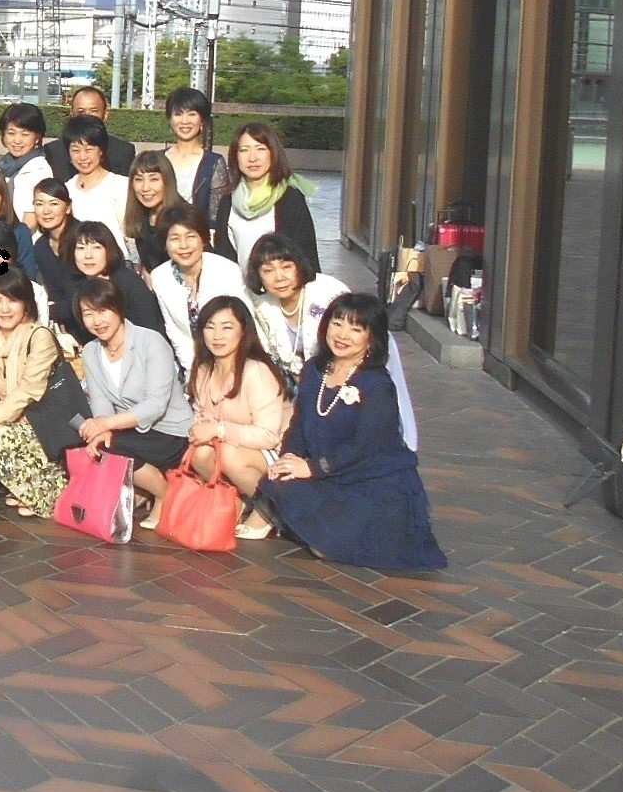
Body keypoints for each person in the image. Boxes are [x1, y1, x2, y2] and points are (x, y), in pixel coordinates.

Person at [256, 294, 446, 569]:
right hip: (328, 474)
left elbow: (365, 447)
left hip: (372, 481)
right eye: (337, 324)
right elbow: (299, 422)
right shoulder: (314, 369)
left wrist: (312, 468)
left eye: (356, 329)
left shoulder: (377, 385)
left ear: (371, 338)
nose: (342, 335)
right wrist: (290, 457)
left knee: (326, 548)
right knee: (278, 481)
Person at [71, 277, 190, 524]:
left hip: (169, 430)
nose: (97, 321)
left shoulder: (151, 342)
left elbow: (156, 404)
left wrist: (106, 424)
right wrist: (102, 427)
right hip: (131, 429)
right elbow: (100, 398)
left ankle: (164, 494)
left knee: (112, 446)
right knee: (98, 442)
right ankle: (146, 489)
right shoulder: (91, 351)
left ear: (118, 307)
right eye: (88, 314)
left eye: (103, 311)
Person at [0, 267, 77, 519]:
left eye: (13, 300)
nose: (4, 309)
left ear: (26, 302)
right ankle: (15, 486)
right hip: (6, 416)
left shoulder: (39, 336)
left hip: (41, 421)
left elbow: (29, 390)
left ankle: (47, 492)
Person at [183, 293, 292, 540]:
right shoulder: (204, 370)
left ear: (243, 331)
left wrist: (218, 430)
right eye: (210, 327)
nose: (217, 336)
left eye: (227, 327)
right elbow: (202, 415)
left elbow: (269, 435)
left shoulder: (256, 370)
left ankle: (269, 508)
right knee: (200, 452)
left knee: (228, 454)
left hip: (275, 451)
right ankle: (238, 499)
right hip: (236, 444)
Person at [213, 121, 319, 275]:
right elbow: (222, 258)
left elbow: (306, 255)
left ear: (273, 153)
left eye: (260, 149)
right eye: (244, 150)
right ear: (235, 156)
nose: (252, 158)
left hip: (280, 286)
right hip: (239, 288)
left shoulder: (290, 198)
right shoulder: (228, 202)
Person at [151, 203, 247, 372]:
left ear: (203, 239)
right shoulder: (160, 277)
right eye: (174, 238)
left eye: (190, 236)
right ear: (164, 243)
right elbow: (176, 331)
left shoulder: (228, 271)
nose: (183, 245)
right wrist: (194, 372)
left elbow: (245, 325)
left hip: (238, 360)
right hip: (195, 365)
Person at [247, 234, 348, 383]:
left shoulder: (330, 292)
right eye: (268, 271)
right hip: (292, 380)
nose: (279, 277)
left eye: (286, 267)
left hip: (340, 378)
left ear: (299, 266)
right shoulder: (259, 303)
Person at [57, 222, 165, 339]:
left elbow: (150, 329)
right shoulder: (76, 283)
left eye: (96, 247)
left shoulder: (127, 282)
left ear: (109, 250)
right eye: (81, 248)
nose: (88, 255)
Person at [60, 117, 132, 257]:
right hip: (79, 263)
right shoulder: (66, 190)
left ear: (101, 151)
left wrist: (135, 262)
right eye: (76, 150)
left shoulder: (121, 185)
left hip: (118, 261)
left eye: (89, 149)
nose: (82, 157)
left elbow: (132, 231)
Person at [163, 86, 232, 217]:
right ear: (169, 119)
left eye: (192, 114)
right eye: (178, 114)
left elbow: (217, 215)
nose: (185, 121)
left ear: (202, 119)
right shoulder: (158, 158)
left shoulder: (213, 163)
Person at [44, 87, 135, 178]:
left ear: (106, 114)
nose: (87, 116)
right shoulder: (53, 151)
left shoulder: (123, 151)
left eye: (93, 111)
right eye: (81, 111)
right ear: (72, 113)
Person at [26, 180, 79, 322]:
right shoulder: (41, 247)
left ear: (68, 207)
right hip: (67, 323)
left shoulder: (83, 239)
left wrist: (46, 310)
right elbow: (55, 295)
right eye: (39, 204)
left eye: (54, 203)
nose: (46, 211)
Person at [0, 104, 53, 223]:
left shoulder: (39, 171)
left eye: (25, 134)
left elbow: (31, 221)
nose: (17, 141)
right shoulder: (1, 165)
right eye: (11, 133)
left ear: (37, 137)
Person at [123, 151, 178, 272]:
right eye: (139, 179)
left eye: (154, 179)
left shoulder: (183, 218)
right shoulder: (140, 217)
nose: (145, 188)